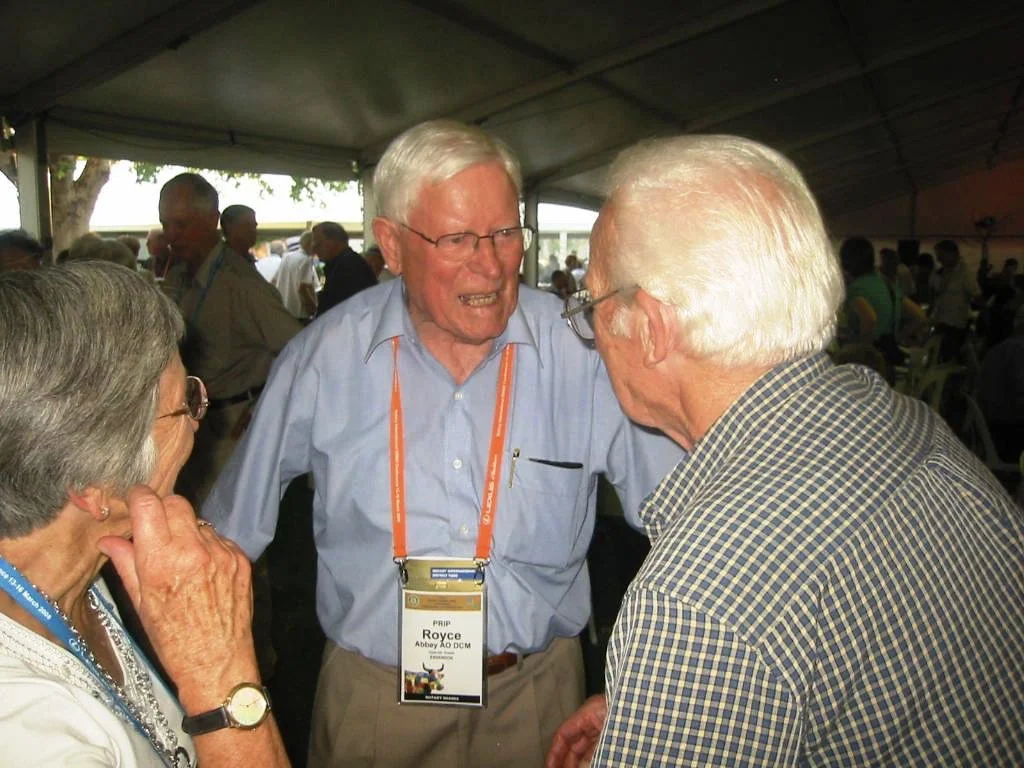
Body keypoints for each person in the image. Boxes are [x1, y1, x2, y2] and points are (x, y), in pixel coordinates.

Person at [203, 119, 682, 768]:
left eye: (506, 233)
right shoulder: (323, 358)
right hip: (377, 705)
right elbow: (227, 537)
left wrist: (654, 687)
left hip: (542, 703)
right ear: (392, 245)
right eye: (457, 238)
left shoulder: (584, 353)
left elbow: (692, 526)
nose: (490, 264)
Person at [547, 135, 1024, 767]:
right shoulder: (901, 420)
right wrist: (681, 702)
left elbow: (738, 613)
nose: (591, 330)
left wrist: (696, 656)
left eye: (594, 303)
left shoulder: (699, 595)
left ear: (654, 329)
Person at [0, 261, 290, 768]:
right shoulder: (28, 727)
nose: (199, 424)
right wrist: (219, 673)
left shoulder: (76, 570)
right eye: (186, 406)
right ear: (92, 486)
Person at [159, 173, 301, 507]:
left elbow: (299, 350)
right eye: (165, 224)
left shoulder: (241, 284)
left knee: (227, 533)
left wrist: (265, 404)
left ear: (211, 221)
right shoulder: (179, 276)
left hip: (230, 431)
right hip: (190, 423)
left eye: (181, 225)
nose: (171, 236)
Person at [309, 221, 377, 316]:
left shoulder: (351, 266)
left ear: (334, 241)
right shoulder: (333, 265)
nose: (314, 249)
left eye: (318, 244)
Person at [930, 239, 979, 361]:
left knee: (949, 359)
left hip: (955, 325)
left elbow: (977, 295)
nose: (938, 259)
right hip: (939, 321)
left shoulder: (965, 273)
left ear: (952, 254)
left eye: (941, 256)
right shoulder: (941, 273)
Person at [273, 231, 319, 319]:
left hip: (284, 312)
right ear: (310, 244)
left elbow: (273, 281)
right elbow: (302, 287)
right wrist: (313, 309)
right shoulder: (306, 260)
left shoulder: (286, 257)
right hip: (299, 315)